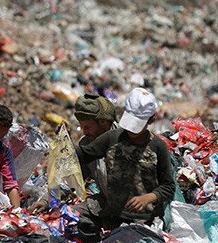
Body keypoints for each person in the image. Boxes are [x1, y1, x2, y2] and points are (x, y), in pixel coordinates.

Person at [76, 88, 175, 230]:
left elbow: (168, 186)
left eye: (137, 124)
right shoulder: (112, 138)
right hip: (115, 214)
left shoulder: (158, 147)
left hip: (146, 219)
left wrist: (149, 197)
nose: (131, 130)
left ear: (151, 120)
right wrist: (63, 144)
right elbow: (84, 154)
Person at [74, 92, 117, 196]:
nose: (84, 132)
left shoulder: (125, 140)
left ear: (103, 122)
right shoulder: (85, 143)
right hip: (106, 200)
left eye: (88, 127)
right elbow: (74, 179)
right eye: (82, 127)